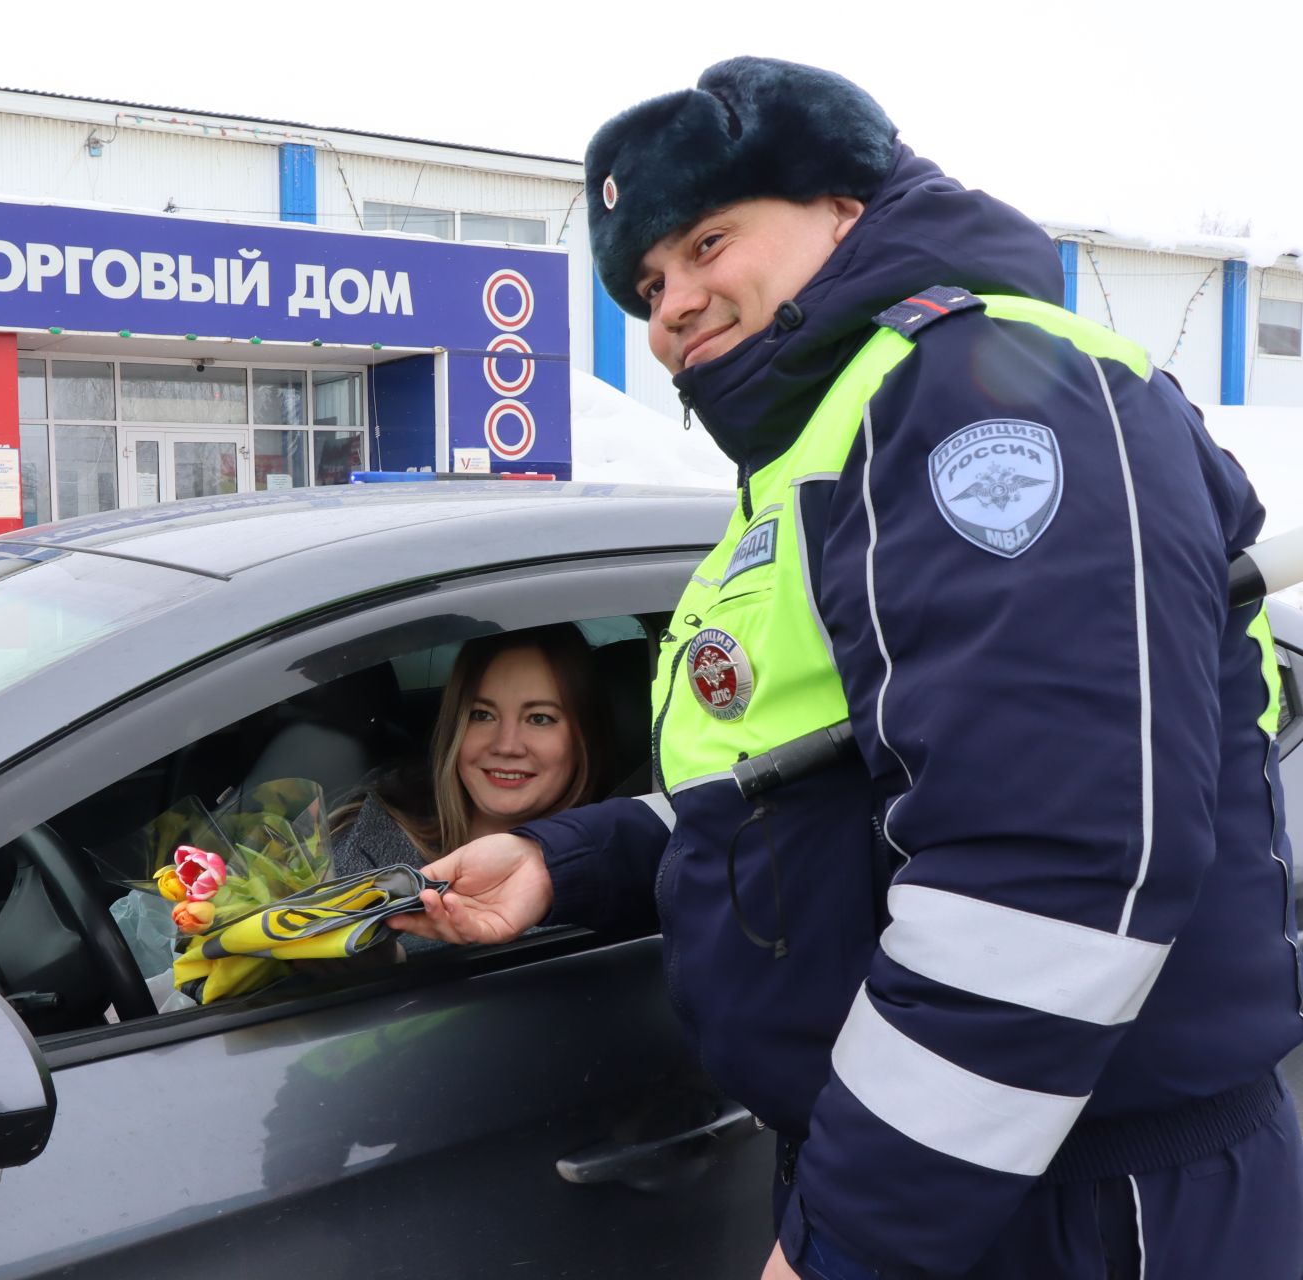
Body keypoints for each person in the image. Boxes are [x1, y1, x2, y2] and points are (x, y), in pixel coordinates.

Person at [392, 56, 1303, 1280]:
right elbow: (809, 788)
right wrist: (568, 859)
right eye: (649, 282)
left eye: (709, 241)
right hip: (955, 1169)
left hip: (1074, 1198)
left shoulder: (989, 396)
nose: (672, 302)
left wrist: (850, 1239)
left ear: (843, 205)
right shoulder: (824, 441)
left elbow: (1052, 873)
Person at [330, 624, 606, 877]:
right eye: (483, 715)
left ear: (583, 737)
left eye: (539, 718)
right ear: (455, 727)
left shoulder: (607, 884)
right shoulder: (369, 834)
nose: (506, 746)